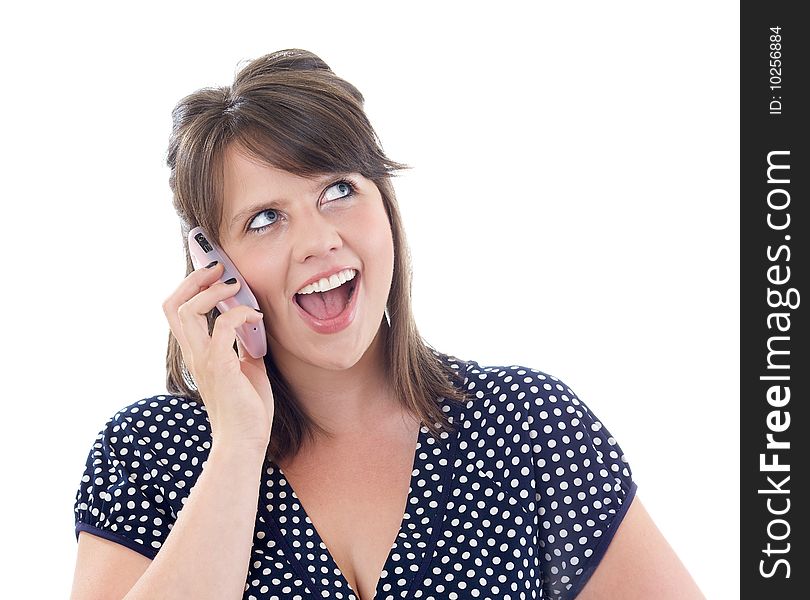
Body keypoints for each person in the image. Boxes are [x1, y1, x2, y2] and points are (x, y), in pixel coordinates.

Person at [70, 49, 704, 600]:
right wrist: (237, 444)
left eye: (338, 191)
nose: (318, 241)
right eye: (265, 218)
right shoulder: (149, 456)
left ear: (385, 207)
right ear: (214, 267)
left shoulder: (528, 426)